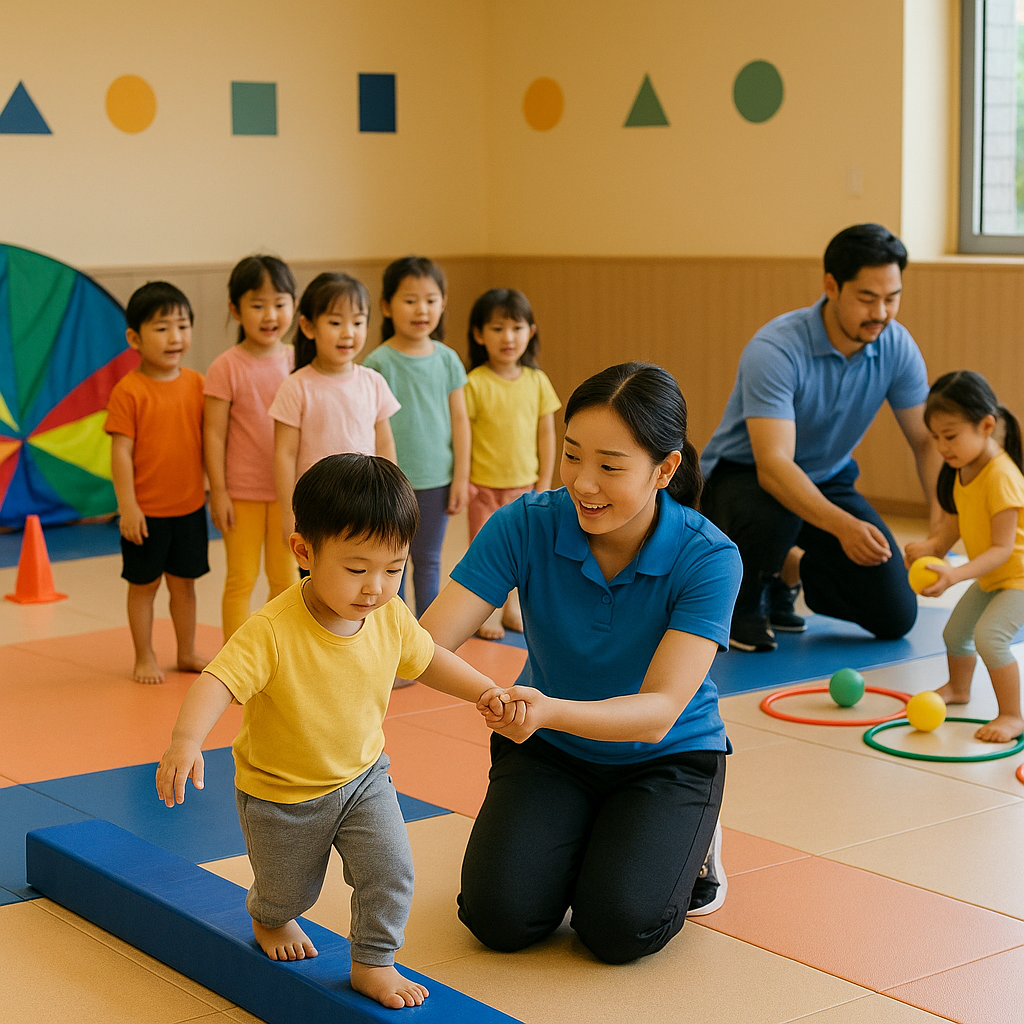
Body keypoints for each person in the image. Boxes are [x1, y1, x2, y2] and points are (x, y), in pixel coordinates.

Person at [155, 454, 509, 1009]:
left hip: (364, 777)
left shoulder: (389, 614)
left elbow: (427, 658)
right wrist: (185, 742)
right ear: (304, 552)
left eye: (393, 569)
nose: (376, 588)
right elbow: (218, 680)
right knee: (287, 891)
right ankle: (269, 915)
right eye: (357, 568)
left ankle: (374, 961)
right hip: (282, 793)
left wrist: (484, 689)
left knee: (391, 869)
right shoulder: (272, 630)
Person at [421, 362, 741, 965]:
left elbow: (659, 713)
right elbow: (424, 646)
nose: (583, 483)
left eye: (610, 467)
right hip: (551, 750)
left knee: (619, 930)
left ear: (665, 469)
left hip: (665, 758)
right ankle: (590, 835)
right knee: (499, 919)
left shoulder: (708, 557)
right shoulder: (524, 525)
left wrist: (546, 710)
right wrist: (494, 694)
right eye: (572, 456)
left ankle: (692, 837)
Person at [700, 223, 942, 652]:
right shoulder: (776, 348)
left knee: (895, 614)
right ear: (831, 286)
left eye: (892, 298)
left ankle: (789, 570)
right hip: (745, 477)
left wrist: (940, 532)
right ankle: (745, 603)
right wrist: (843, 526)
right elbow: (774, 466)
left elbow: (926, 441)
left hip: (827, 478)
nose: (882, 313)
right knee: (774, 514)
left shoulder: (896, 346)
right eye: (867, 298)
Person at [904, 371, 1024, 743]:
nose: (942, 447)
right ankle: (958, 689)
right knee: (955, 633)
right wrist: (932, 547)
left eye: (950, 436)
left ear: (986, 426)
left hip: (1018, 579)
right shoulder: (964, 468)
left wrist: (954, 574)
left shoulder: (1001, 476)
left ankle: (1012, 715)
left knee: (990, 637)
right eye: (936, 437)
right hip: (994, 577)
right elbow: (956, 523)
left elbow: (1002, 548)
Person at [106, 281, 208, 684]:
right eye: (162, 328)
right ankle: (144, 655)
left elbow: (211, 439)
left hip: (189, 507)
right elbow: (120, 453)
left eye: (182, 326)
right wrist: (128, 506)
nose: (175, 337)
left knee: (185, 586)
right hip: (146, 513)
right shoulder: (129, 391)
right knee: (143, 586)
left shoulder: (197, 384)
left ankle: (186, 650)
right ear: (135, 338)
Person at [363, 256, 469, 618]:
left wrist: (461, 477)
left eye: (431, 299)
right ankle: (396, 631)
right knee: (393, 560)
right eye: (410, 300)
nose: (421, 309)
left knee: (428, 560)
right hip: (393, 481)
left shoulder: (448, 360)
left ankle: (426, 636)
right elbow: (370, 425)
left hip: (437, 479)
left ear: (443, 303)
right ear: (386, 306)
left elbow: (460, 421)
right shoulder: (378, 363)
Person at [204, 255, 298, 640]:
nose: (270, 315)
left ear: (294, 304)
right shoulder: (226, 366)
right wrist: (218, 491)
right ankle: (234, 661)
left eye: (279, 303)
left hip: (288, 493)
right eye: (257, 305)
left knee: (286, 580)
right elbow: (213, 433)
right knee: (241, 579)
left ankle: (275, 652)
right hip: (241, 492)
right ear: (235, 310)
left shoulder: (298, 361)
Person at [270, 272, 399, 544]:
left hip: (365, 503)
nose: (348, 333)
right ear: (308, 327)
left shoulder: (373, 382)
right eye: (335, 322)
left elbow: (385, 445)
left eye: (358, 322)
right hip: (316, 506)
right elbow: (285, 455)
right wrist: (287, 514)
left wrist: (391, 498)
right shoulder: (296, 386)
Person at [464, 288, 560, 639]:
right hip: (483, 488)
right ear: (479, 334)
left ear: (531, 332)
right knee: (485, 552)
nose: (508, 338)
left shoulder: (537, 381)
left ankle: (514, 608)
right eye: (497, 328)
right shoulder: (474, 383)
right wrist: (465, 479)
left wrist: (543, 482)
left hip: (524, 486)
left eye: (517, 328)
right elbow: (464, 436)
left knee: (523, 551)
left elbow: (546, 435)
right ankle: (483, 612)